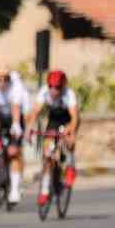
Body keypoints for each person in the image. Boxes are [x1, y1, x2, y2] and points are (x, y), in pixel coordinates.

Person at [0, 61, 32, 206]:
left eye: (5, 79)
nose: (2, 82)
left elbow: (16, 107)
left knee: (13, 152)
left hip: (14, 116)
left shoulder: (16, 87)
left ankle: (15, 189)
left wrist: (16, 125)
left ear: (10, 78)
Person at [29, 69, 80, 205]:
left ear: (62, 86)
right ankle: (45, 191)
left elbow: (74, 118)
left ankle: (71, 166)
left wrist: (69, 130)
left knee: (69, 140)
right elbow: (35, 111)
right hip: (54, 120)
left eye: (57, 87)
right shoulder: (44, 92)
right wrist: (29, 128)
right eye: (51, 86)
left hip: (68, 119)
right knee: (47, 155)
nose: (53, 90)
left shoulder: (69, 94)